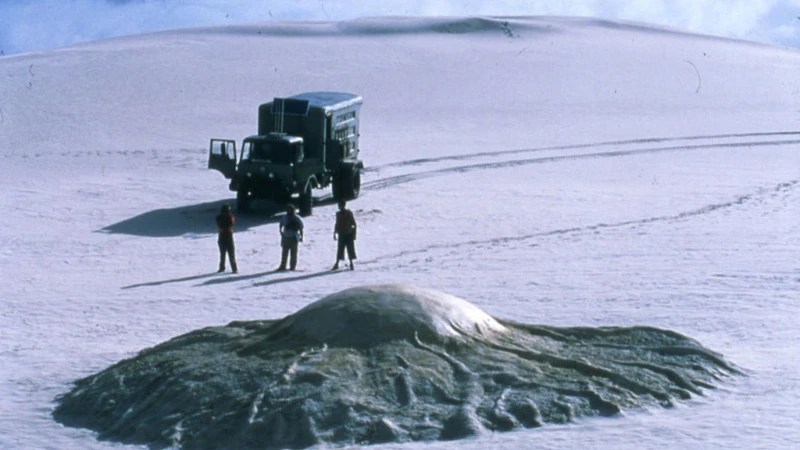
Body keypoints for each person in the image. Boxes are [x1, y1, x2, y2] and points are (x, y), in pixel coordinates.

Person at [332, 200, 357, 270]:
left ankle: (351, 264)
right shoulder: (338, 214)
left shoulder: (349, 213)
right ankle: (337, 264)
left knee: (350, 249)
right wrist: (335, 232)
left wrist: (354, 234)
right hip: (341, 234)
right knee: (340, 249)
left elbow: (354, 223)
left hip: (348, 234)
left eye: (340, 205)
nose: (339, 206)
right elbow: (337, 223)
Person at [277, 204, 304, 271]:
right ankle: (283, 266)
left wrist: (301, 236)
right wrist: (281, 232)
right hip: (286, 236)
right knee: (284, 253)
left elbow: (301, 227)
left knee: (293, 254)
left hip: (294, 237)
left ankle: (292, 267)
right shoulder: (284, 217)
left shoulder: (297, 218)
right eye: (288, 210)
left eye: (291, 210)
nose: (289, 211)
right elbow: (281, 224)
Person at [215, 204, 238, 273]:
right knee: (230, 254)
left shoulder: (219, 218)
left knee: (223, 254)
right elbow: (231, 223)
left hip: (223, 236)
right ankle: (234, 268)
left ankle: (223, 268)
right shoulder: (230, 217)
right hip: (227, 237)